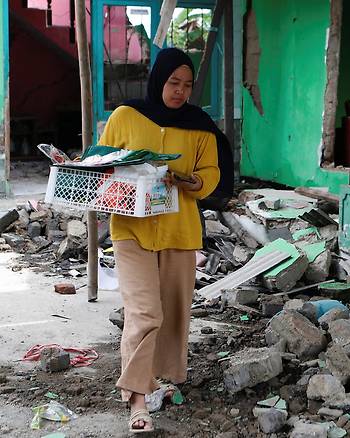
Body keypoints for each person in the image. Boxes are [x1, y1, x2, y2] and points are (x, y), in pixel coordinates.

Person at [98, 47, 221, 433]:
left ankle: (160, 378)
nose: (180, 91)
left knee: (173, 314)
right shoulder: (126, 116)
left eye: (187, 85)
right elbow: (102, 161)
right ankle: (137, 399)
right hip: (130, 229)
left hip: (178, 231)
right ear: (159, 80)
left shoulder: (200, 125)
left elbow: (210, 175)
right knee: (144, 313)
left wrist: (187, 180)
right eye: (173, 83)